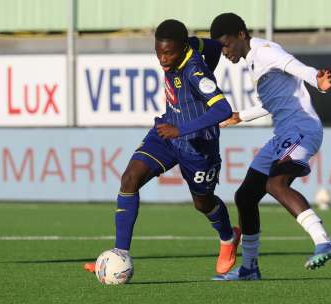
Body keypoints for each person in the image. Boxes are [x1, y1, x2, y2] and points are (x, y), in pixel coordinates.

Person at [84, 19, 240, 275]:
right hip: (167, 132)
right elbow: (212, 46)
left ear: (181, 47)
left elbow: (222, 109)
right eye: (158, 52)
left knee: (203, 203)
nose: (162, 59)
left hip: (197, 145)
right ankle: (118, 256)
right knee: (129, 178)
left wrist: (181, 130)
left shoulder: (195, 72)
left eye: (168, 53)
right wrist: (197, 42)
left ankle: (227, 238)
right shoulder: (184, 48)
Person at [209, 13, 331, 281]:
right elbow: (274, 102)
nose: (225, 52)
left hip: (302, 131)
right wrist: (240, 116)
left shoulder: (266, 51)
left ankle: (324, 241)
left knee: (276, 184)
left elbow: (295, 66)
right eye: (220, 47)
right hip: (283, 135)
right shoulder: (253, 61)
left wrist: (317, 79)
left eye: (226, 44)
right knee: (245, 197)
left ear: (241, 35)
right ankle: (249, 268)